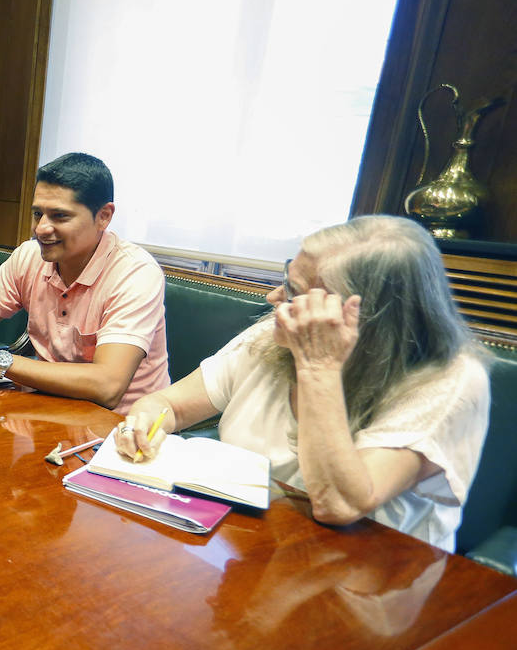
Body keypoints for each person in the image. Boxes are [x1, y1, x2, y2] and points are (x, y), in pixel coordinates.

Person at [112, 215, 490, 552]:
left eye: (293, 293)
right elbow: (171, 405)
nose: (273, 297)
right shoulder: (269, 336)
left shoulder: (449, 381)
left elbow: (340, 505)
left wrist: (318, 366)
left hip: (373, 581)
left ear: (361, 317)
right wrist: (143, 421)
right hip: (258, 544)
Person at [0, 152, 169, 413]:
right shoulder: (29, 257)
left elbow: (107, 387)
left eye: (60, 216)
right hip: (46, 409)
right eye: (37, 214)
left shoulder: (135, 273)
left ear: (104, 216)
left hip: (122, 430)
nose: (41, 228)